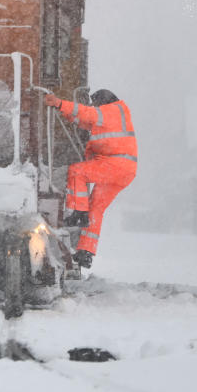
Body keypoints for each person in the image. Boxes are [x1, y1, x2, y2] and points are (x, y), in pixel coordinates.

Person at [44, 89, 138, 269]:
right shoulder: (116, 115)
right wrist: (66, 113)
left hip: (114, 164)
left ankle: (78, 213)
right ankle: (85, 252)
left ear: (102, 102)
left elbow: (88, 114)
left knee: (77, 172)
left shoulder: (112, 110)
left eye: (94, 104)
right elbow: (86, 120)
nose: (93, 107)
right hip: (124, 171)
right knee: (95, 208)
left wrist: (59, 103)